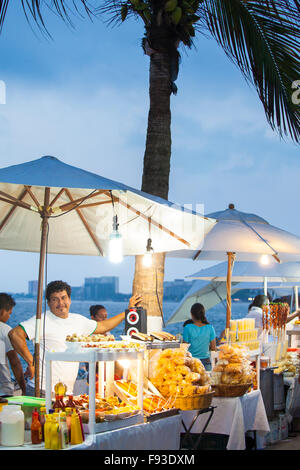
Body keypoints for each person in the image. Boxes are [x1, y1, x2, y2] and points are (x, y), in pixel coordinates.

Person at [8, 280, 142, 397]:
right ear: (48, 303)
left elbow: (102, 326)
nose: (61, 303)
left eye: (63, 298)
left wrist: (128, 311)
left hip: (67, 392)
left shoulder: (77, 320)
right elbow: (15, 334)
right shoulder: (43, 319)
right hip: (43, 390)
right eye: (55, 299)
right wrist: (31, 362)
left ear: (69, 300)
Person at [0, 293, 26, 397]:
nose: (9, 316)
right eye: (9, 313)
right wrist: (23, 388)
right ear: (2, 311)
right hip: (3, 391)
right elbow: (14, 362)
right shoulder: (6, 330)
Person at [182, 303, 216, 371]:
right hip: (206, 363)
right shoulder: (210, 328)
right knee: (207, 381)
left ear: (191, 314)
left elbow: (184, 347)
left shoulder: (187, 327)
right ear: (203, 314)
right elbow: (213, 347)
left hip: (192, 362)